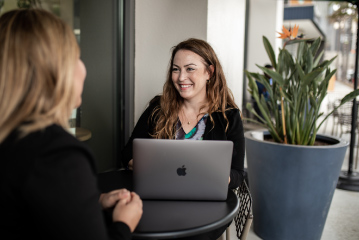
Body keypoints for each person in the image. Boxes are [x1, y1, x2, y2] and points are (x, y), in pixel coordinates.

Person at [0, 9, 142, 240]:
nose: (83, 68)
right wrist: (124, 223)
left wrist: (92, 201)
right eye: (76, 57)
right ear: (54, 73)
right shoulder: (57, 154)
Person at [118, 38, 245, 240]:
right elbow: (127, 154)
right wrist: (146, 167)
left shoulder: (229, 117)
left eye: (190, 69)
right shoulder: (158, 108)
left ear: (209, 72)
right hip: (158, 200)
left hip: (206, 205)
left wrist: (220, 176)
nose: (181, 77)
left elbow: (238, 173)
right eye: (176, 69)